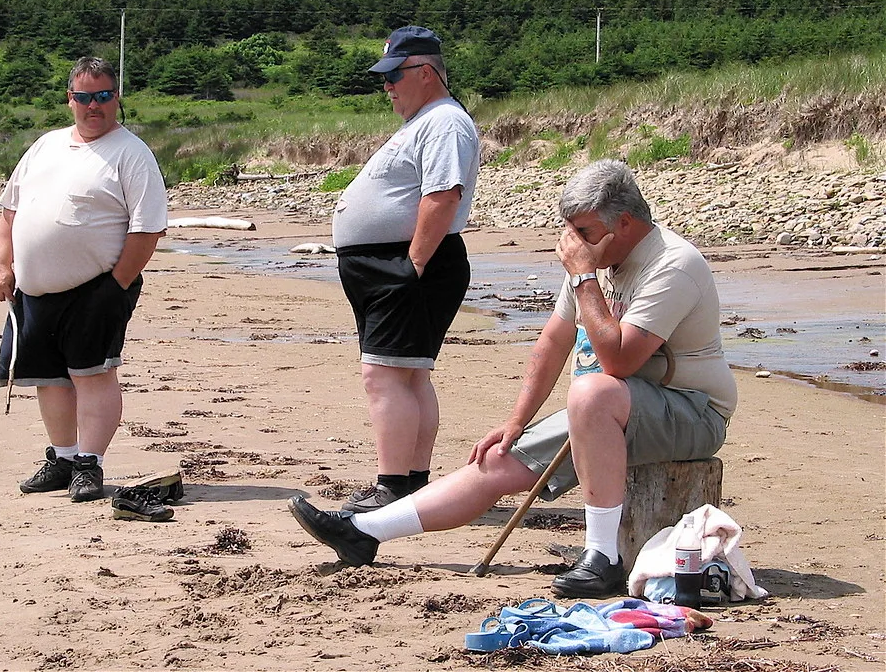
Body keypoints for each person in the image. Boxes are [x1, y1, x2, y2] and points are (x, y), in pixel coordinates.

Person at [290, 159, 737, 598]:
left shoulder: (671, 264)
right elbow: (554, 342)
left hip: (693, 412)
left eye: (583, 231)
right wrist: (516, 422)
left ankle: (602, 558)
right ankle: (363, 530)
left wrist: (584, 277)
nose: (571, 244)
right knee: (499, 458)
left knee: (593, 391)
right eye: (569, 230)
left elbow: (618, 362)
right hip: (611, 405)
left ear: (623, 223)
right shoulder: (596, 261)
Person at [0, 56, 167, 503]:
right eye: (85, 97)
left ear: (116, 98)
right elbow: (10, 212)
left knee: (93, 375)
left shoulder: (131, 153)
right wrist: (2, 265)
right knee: (48, 377)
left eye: (103, 96)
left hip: (98, 287)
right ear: (70, 99)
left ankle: (89, 464)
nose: (94, 105)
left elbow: (147, 230)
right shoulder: (44, 146)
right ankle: (64, 459)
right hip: (34, 290)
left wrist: (117, 285)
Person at [331, 25, 480, 513]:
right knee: (408, 374)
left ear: (426, 72)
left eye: (395, 74)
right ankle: (410, 481)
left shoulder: (445, 122)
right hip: (391, 265)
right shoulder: (427, 122)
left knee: (385, 375)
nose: (387, 85)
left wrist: (412, 265)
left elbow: (443, 195)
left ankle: (393, 485)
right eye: (385, 76)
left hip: (411, 263)